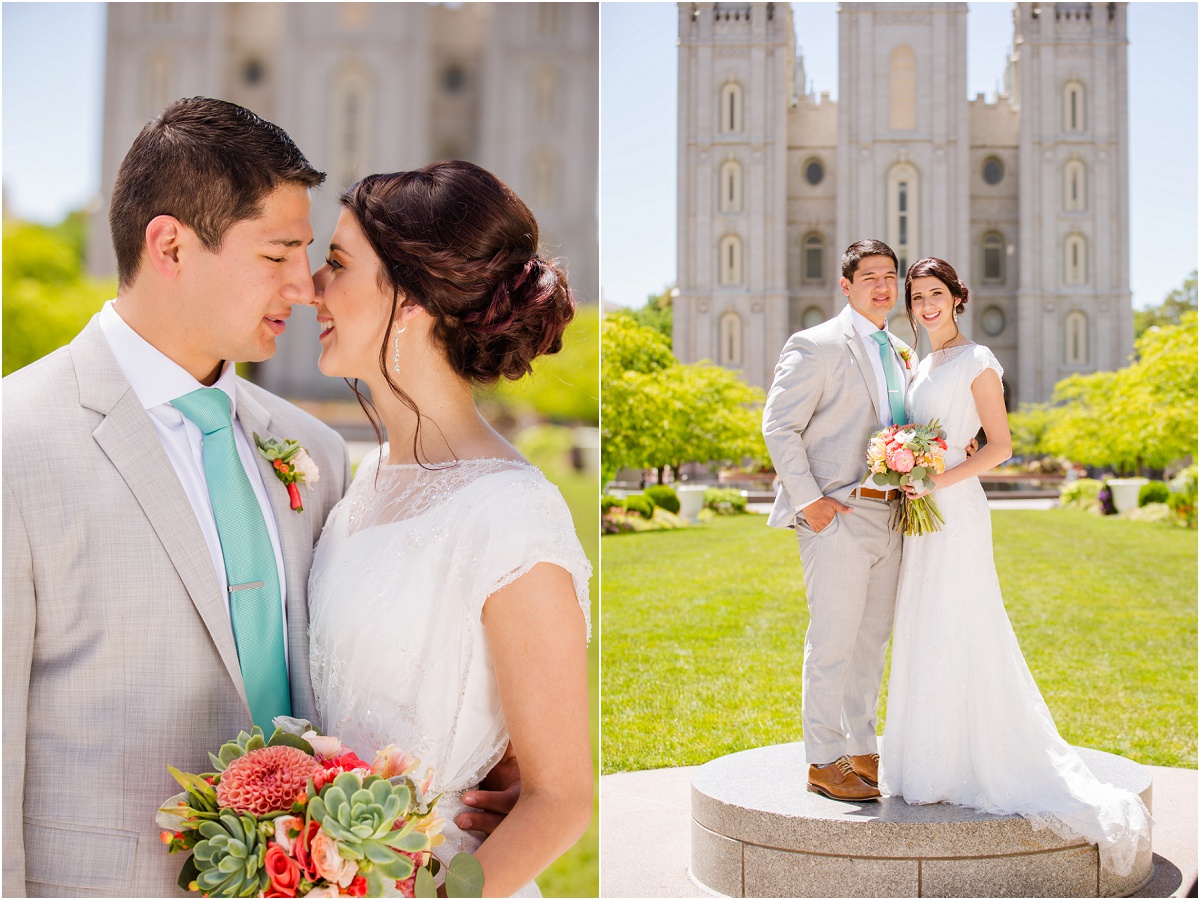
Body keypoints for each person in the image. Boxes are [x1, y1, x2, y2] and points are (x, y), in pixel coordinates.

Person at [1, 98, 511, 898]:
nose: (306, 287)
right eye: (279, 254)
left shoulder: (312, 450)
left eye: (311, 254)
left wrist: (492, 760)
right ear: (169, 244)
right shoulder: (16, 445)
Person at [304, 161, 593, 896]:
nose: (311, 287)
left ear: (408, 299)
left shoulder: (511, 513)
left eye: (336, 264)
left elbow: (560, 799)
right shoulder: (362, 481)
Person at [880, 257, 1151, 876]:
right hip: (921, 508)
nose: (925, 305)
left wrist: (937, 479)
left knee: (962, 623)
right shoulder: (918, 364)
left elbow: (1000, 446)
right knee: (924, 626)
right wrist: (902, 467)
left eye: (936, 294)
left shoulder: (978, 361)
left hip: (956, 511)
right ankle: (928, 761)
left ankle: (974, 759)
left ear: (957, 299)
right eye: (917, 296)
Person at [762, 239, 914, 801]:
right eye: (870, 276)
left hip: (892, 516)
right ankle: (823, 760)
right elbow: (779, 427)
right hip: (837, 515)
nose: (882, 285)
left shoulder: (901, 350)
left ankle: (859, 747)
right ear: (846, 286)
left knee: (872, 641)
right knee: (832, 642)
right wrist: (812, 504)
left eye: (890, 276)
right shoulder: (816, 344)